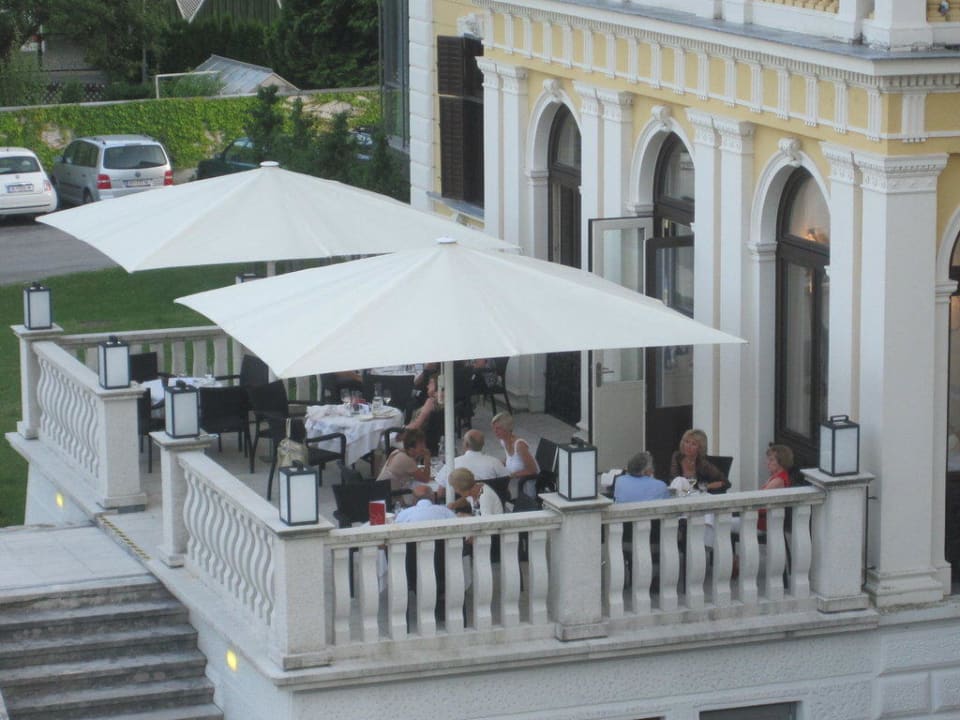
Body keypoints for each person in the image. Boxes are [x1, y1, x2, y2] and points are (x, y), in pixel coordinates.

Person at [434, 429, 508, 489]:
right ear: (483, 444)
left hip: (459, 506)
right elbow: (506, 483)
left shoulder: (453, 464)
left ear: (466, 444)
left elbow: (440, 491)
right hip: (489, 504)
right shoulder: (494, 462)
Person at [377, 428, 432, 506]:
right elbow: (426, 479)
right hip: (391, 498)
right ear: (412, 448)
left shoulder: (397, 452)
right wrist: (427, 459)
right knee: (425, 493)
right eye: (421, 445)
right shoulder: (406, 460)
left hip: (380, 492)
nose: (424, 447)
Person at [491, 411, 539, 498]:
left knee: (496, 490)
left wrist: (511, 475)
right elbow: (510, 459)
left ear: (507, 428)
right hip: (514, 483)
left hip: (525, 486)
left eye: (498, 428)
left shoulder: (519, 445)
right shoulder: (503, 441)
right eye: (494, 428)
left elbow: (533, 470)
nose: (495, 431)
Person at [668, 428, 730, 494]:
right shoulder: (677, 457)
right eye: (687, 442)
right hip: (679, 495)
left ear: (700, 448)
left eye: (693, 444)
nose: (688, 446)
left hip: (697, 497)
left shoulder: (704, 464)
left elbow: (725, 483)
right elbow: (674, 480)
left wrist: (706, 486)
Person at [758, 443, 794, 532]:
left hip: (764, 523)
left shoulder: (778, 480)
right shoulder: (774, 476)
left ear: (781, 462)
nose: (767, 462)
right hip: (761, 517)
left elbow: (759, 501)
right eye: (768, 459)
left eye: (771, 460)